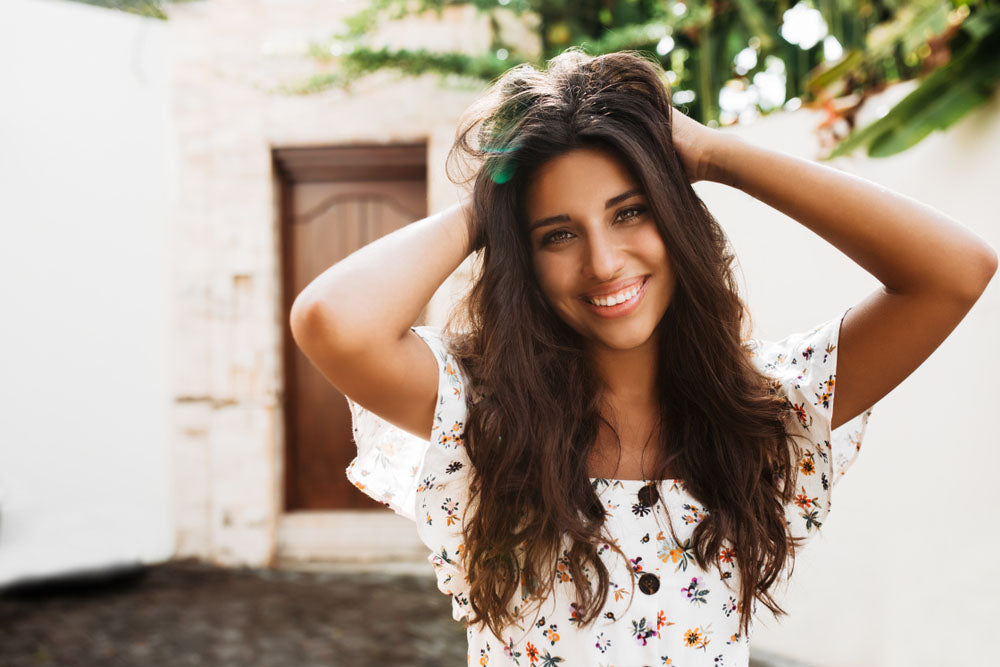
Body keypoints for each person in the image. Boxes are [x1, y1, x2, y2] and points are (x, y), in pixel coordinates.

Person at [289, 49, 996, 665]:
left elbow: (956, 270)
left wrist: (716, 155)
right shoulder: (485, 419)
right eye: (558, 234)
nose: (603, 262)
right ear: (523, 259)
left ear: (674, 218)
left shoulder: (768, 407)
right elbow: (333, 321)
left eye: (630, 212)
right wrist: (492, 205)